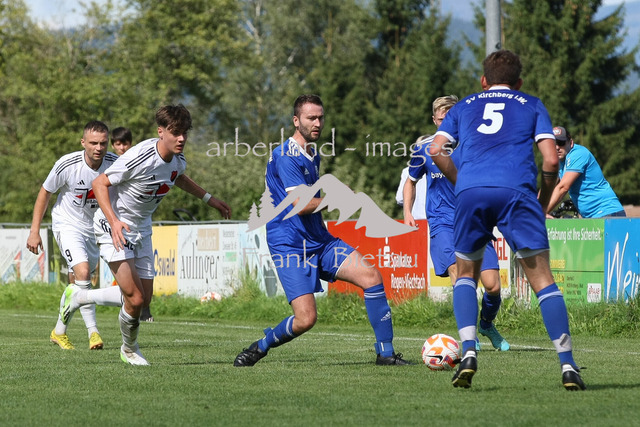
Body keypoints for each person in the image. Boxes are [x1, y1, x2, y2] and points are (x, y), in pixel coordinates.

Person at [429, 50, 585, 390]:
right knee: (543, 280)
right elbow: (550, 161)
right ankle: (568, 366)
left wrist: (461, 181)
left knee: (465, 274)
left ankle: (468, 353)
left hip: (472, 192)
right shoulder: (531, 104)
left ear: (483, 81)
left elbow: (436, 149)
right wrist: (542, 201)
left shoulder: (464, 106)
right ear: (519, 82)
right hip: (517, 193)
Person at [234, 94, 410, 367]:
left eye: (320, 117)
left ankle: (386, 354)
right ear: (296, 121)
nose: (317, 123)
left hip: (319, 240)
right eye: (311, 118)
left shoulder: (312, 153)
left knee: (371, 276)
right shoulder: (287, 156)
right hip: (290, 244)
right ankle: (260, 346)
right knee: (306, 319)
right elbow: (299, 205)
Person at [59, 104, 231, 365]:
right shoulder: (140, 156)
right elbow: (99, 183)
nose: (182, 138)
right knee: (135, 298)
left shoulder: (178, 159)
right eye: (175, 133)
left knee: (143, 299)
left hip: (141, 229)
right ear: (161, 132)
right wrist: (114, 222)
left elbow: (177, 176)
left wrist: (210, 199)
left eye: (185, 132)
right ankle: (129, 350)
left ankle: (80, 296)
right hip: (113, 227)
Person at [403, 95, 509, 352]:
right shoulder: (425, 149)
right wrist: (407, 211)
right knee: (460, 276)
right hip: (443, 223)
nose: (447, 123)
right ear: (434, 120)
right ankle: (469, 337)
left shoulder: (475, 145)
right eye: (442, 119)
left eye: (451, 118)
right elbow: (410, 181)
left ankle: (486, 324)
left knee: (493, 286)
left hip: (474, 222)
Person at [26, 121, 118, 350]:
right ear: (83, 142)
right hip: (67, 224)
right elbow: (45, 192)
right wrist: (34, 231)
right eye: (93, 143)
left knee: (76, 286)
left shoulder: (115, 164)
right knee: (83, 273)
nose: (99, 148)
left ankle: (59, 332)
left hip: (93, 229)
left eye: (103, 143)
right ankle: (93, 332)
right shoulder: (67, 164)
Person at [108, 126, 155, 322]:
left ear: (131, 143)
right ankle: (82, 296)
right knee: (131, 282)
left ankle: (144, 309)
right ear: (113, 145)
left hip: (139, 225)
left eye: (125, 143)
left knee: (143, 283)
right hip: (117, 225)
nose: (122, 148)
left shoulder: (138, 160)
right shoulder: (110, 164)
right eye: (118, 144)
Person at [546, 126, 626, 218]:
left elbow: (563, 188)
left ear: (571, 143)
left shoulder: (578, 154)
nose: (557, 147)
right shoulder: (559, 161)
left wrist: (540, 213)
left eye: (561, 143)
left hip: (607, 212)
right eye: (553, 144)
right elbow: (547, 187)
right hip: (594, 217)